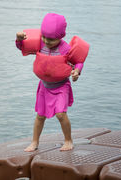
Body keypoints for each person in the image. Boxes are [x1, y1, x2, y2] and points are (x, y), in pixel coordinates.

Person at [16, 13, 84, 152]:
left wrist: (77, 72)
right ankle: (34, 142)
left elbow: (78, 62)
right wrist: (18, 39)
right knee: (40, 116)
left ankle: (68, 140)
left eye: (51, 39)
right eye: (44, 37)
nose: (47, 41)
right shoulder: (39, 43)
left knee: (61, 114)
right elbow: (21, 47)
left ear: (61, 36)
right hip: (44, 86)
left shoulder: (65, 48)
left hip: (61, 86)